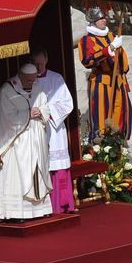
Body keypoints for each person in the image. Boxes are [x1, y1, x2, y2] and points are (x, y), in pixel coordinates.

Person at [0, 63, 52, 220]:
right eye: (29, 80)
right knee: (18, 174)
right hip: (17, 142)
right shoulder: (7, 91)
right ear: (20, 76)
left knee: (38, 171)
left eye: (34, 80)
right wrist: (27, 114)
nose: (32, 83)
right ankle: (18, 213)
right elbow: (5, 117)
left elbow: (46, 106)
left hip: (36, 138)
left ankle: (39, 210)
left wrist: (41, 111)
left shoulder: (37, 88)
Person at [30, 46, 75, 213]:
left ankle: (62, 204)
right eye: (35, 64)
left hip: (54, 129)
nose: (39, 68)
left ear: (46, 60)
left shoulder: (56, 79)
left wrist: (47, 112)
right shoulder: (28, 81)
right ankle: (43, 206)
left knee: (57, 167)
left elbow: (67, 103)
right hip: (36, 130)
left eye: (41, 63)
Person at [77, 6, 132, 141]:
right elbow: (87, 60)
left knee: (120, 113)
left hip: (118, 81)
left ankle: (118, 143)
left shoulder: (112, 36)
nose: (104, 20)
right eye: (100, 18)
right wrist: (109, 49)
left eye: (104, 17)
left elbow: (122, 59)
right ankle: (101, 145)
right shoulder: (86, 40)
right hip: (101, 82)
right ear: (93, 21)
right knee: (101, 116)